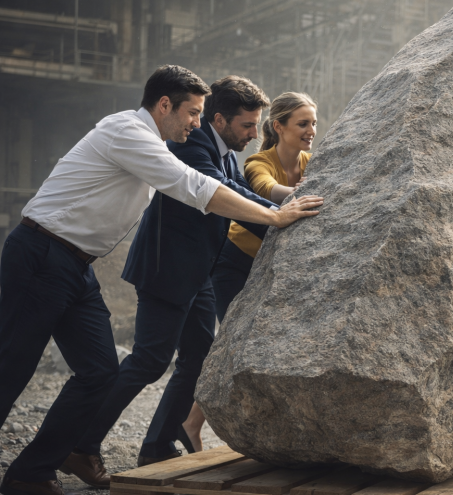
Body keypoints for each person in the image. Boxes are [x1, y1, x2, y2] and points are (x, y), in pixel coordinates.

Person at [0, 65, 322, 495]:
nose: (197, 122)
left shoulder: (160, 143)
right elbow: (194, 185)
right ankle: (54, 461)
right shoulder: (128, 133)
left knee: (99, 371)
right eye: (192, 112)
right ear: (164, 105)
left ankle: (32, 471)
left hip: (77, 265)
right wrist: (274, 216)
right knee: (13, 364)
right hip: (42, 253)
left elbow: (207, 181)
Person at [60, 76, 285, 486]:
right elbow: (222, 192)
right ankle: (81, 446)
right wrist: (278, 219)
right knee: (149, 360)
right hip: (167, 269)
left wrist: (279, 227)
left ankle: (158, 444)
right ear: (220, 119)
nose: (256, 134)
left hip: (197, 272)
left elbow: (231, 191)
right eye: (248, 126)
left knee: (200, 357)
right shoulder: (191, 145)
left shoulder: (225, 152)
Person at [179, 92, 318, 453]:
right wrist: (298, 195)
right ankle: (191, 425)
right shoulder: (259, 161)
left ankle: (191, 423)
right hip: (235, 264)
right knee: (234, 346)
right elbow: (267, 190)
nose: (311, 131)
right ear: (280, 127)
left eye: (314, 123)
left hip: (274, 267)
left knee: (254, 347)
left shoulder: (311, 161)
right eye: (303, 124)